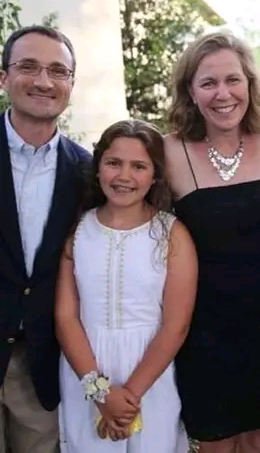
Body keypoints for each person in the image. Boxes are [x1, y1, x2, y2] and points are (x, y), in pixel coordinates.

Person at [165, 30, 260, 453]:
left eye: (233, 80)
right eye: (208, 82)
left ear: (250, 83)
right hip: (203, 325)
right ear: (191, 91)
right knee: (215, 440)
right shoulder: (168, 152)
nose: (224, 94)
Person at [55, 119, 197, 453]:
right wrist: (102, 394)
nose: (124, 177)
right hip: (86, 371)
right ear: (99, 166)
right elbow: (65, 318)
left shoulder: (172, 234)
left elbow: (176, 325)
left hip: (150, 373)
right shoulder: (77, 231)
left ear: (155, 174)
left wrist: (127, 398)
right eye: (114, 163)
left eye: (139, 166)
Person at [0, 25, 91, 453]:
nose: (43, 81)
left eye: (58, 71)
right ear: (4, 77)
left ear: (71, 83)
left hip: (41, 366)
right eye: (28, 67)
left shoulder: (89, 173)